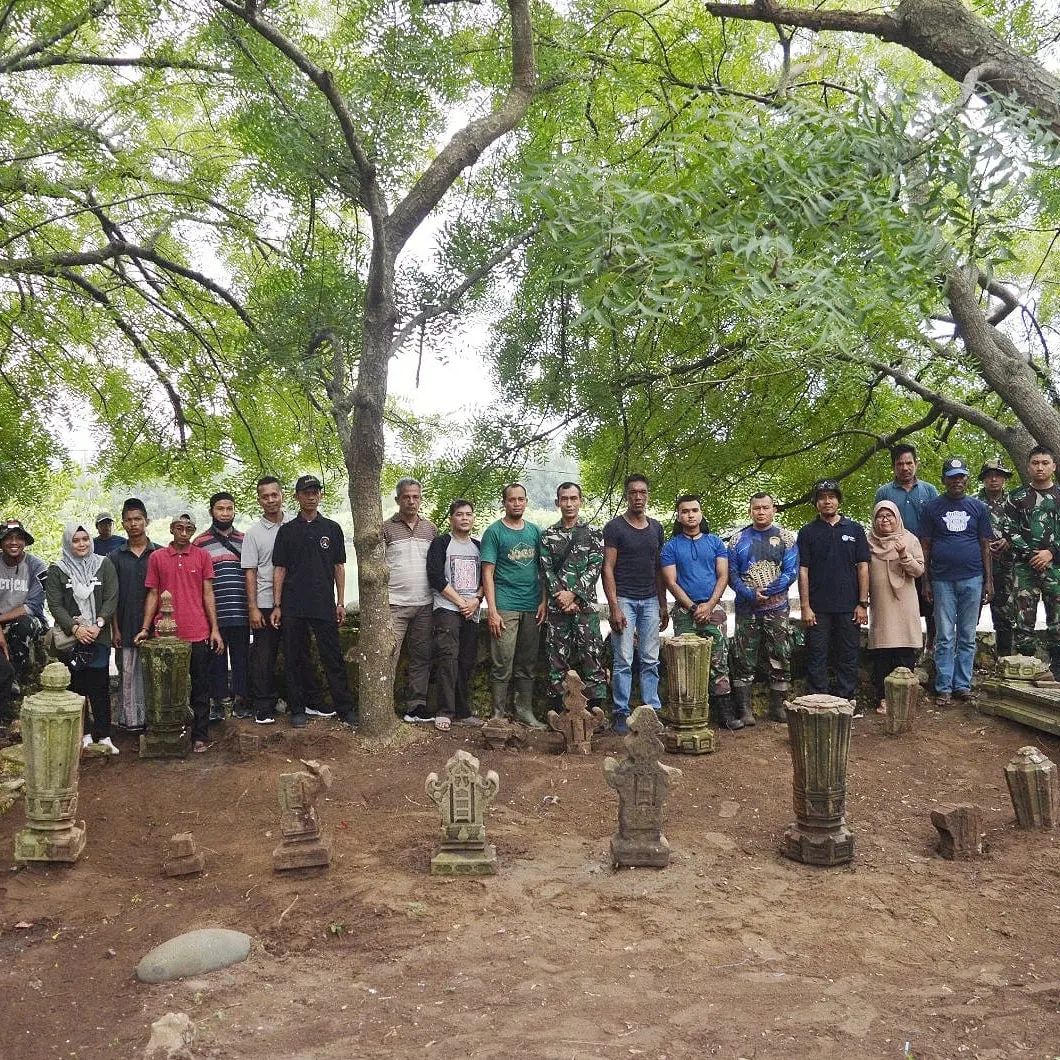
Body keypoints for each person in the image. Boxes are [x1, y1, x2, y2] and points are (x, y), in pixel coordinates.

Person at [271, 475, 356, 728]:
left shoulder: (332, 529)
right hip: (293, 604)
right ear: (297, 496)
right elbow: (280, 569)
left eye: (315, 492)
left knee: (333, 657)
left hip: (323, 603)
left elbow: (339, 567)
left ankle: (345, 708)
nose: (311, 497)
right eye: (306, 492)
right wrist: (277, 605)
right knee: (294, 657)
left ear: (320, 495)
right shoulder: (287, 531)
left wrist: (340, 602)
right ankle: (298, 708)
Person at [135, 514, 224, 753]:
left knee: (200, 686)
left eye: (188, 529)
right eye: (179, 528)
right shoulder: (157, 557)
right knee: (165, 687)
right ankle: (167, 733)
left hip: (198, 631)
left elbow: (208, 593)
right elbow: (153, 593)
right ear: (172, 529)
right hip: (166, 634)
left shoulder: (202, 556)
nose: (184, 533)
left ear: (193, 531)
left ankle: (200, 735)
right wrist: (145, 628)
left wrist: (215, 629)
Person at [920, 457, 994, 704]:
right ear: (944, 480)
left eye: (961, 476)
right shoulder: (932, 508)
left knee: (967, 635)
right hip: (942, 580)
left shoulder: (978, 507)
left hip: (973, 578)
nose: (957, 481)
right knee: (944, 636)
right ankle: (944, 687)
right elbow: (925, 547)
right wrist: (926, 581)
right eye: (952, 477)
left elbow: (985, 545)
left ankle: (962, 684)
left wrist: (988, 581)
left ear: (967, 479)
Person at [659, 494, 736, 728]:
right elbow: (670, 581)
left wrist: (710, 605)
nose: (690, 515)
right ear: (678, 516)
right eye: (685, 511)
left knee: (719, 660)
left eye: (694, 510)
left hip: (714, 609)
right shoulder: (671, 547)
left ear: (701, 514)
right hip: (685, 612)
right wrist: (692, 607)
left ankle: (724, 713)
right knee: (685, 662)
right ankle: (687, 713)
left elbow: (723, 575)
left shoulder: (715, 543)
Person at [46, 524, 120, 753]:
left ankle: (104, 735)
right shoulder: (57, 569)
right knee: (77, 686)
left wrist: (99, 624)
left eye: (85, 539)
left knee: (99, 686)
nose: (81, 544)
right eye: (76, 540)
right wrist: (75, 628)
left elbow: (111, 597)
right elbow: (55, 604)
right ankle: (84, 734)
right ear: (68, 543)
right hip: (72, 638)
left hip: (98, 635)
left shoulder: (103, 564)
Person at [727, 493, 799, 725]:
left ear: (773, 510)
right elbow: (731, 574)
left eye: (765, 507)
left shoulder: (786, 538)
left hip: (777, 607)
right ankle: (745, 710)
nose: (761, 512)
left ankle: (778, 707)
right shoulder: (737, 540)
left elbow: (791, 571)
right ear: (750, 510)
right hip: (746, 608)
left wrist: (768, 590)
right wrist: (750, 593)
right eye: (756, 508)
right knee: (742, 657)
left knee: (780, 653)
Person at [603, 474, 667, 733]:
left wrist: (663, 603)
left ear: (648, 495)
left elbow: (659, 568)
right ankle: (621, 712)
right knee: (623, 659)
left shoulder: (656, 528)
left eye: (642, 492)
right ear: (626, 495)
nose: (638, 497)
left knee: (651, 658)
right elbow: (607, 568)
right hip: (625, 599)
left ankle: (651, 711)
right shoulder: (615, 528)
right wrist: (614, 607)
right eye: (633, 493)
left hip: (650, 599)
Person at [797, 480, 870, 705]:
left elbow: (863, 567)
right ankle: (818, 701)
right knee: (817, 654)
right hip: (817, 607)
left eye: (831, 497)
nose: (827, 501)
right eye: (822, 497)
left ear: (838, 500)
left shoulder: (855, 529)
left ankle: (845, 700)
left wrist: (862, 603)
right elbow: (803, 570)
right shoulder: (807, 532)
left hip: (849, 606)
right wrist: (805, 607)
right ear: (816, 502)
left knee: (848, 654)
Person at [539, 482, 608, 715]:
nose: (569, 503)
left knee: (592, 656)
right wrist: (561, 598)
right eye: (564, 499)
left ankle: (596, 711)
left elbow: (595, 566)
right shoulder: (547, 535)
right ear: (557, 502)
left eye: (573, 498)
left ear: (581, 501)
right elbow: (546, 570)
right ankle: (559, 713)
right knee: (557, 659)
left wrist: (574, 595)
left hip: (585, 607)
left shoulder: (593, 533)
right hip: (557, 608)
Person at [481, 482, 546, 728]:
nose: (517, 504)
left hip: (532, 605)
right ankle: (498, 715)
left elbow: (544, 570)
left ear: (526, 502)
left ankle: (524, 712)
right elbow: (487, 573)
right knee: (503, 661)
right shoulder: (494, 532)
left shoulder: (535, 532)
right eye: (512, 500)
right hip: (505, 604)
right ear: (504, 503)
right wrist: (492, 610)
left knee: (528, 662)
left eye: (521, 499)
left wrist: (544, 600)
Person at [1000, 445, 1060, 677]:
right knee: (1023, 621)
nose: (1040, 467)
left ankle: (1056, 672)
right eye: (1035, 463)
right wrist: (1032, 555)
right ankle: (1025, 669)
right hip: (1025, 569)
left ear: (1053, 466)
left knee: (1057, 621)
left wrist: (1050, 552)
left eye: (1045, 463)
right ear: (1028, 467)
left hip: (1055, 568)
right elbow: (1009, 530)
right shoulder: (1016, 497)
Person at [381, 477, 437, 724]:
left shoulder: (430, 529)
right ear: (398, 499)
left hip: (425, 604)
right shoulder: (385, 529)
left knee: (421, 657)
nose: (411, 501)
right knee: (388, 655)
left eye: (415, 497)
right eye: (406, 497)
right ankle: (383, 707)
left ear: (420, 499)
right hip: (394, 604)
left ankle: (416, 706)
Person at [426, 499, 485, 731]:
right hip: (447, 608)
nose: (464, 518)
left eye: (468, 514)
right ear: (452, 518)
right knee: (448, 658)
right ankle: (444, 711)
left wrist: (476, 600)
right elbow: (435, 576)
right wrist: (461, 602)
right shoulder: (442, 543)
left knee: (466, 660)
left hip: (472, 610)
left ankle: (463, 711)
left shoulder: (479, 546)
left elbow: (487, 577)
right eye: (459, 514)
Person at [875, 444, 939, 649]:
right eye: (900, 464)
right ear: (893, 466)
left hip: (925, 557)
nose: (905, 468)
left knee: (930, 604)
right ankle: (903, 647)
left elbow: (937, 523)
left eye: (909, 463)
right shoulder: (884, 492)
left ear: (916, 463)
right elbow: (878, 523)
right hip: (894, 559)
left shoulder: (929, 490)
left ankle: (930, 647)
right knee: (901, 605)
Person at [193, 492, 250, 720]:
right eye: (220, 509)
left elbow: (251, 575)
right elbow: (197, 582)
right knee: (215, 659)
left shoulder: (245, 540)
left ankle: (241, 700)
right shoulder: (200, 543)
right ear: (211, 512)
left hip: (241, 610)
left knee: (241, 658)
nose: (225, 513)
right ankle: (217, 702)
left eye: (229, 508)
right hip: (214, 614)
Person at [241, 476, 293, 725]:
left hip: (294, 601)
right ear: (259, 500)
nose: (271, 500)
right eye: (265, 496)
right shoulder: (254, 534)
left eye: (275, 495)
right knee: (264, 655)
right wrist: (252, 607)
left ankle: (296, 701)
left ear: (282, 495)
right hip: (264, 601)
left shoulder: (295, 525)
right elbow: (250, 572)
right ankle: (262, 705)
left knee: (296, 652)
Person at [866, 500, 925, 714]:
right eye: (880, 516)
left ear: (897, 517)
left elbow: (918, 571)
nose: (885, 520)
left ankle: (905, 698)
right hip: (881, 604)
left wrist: (903, 554)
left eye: (889, 515)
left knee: (904, 651)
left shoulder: (909, 539)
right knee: (883, 652)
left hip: (904, 604)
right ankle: (883, 698)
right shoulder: (868, 542)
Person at [109, 498, 159, 731]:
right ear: (123, 524)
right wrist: (115, 629)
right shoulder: (114, 557)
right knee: (127, 674)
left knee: (155, 674)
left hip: (157, 626)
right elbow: (111, 598)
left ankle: (155, 719)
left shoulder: (159, 553)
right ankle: (130, 721)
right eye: (128, 520)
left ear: (146, 521)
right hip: (126, 622)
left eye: (138, 519)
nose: (133, 524)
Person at [0, 519, 48, 708]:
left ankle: (14, 675)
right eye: (8, 538)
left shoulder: (37, 566)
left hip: (27, 620)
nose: (13, 542)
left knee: (23, 625)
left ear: (25, 541)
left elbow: (33, 606)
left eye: (18, 538)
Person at [977, 457, 1015, 658]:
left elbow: (1024, 530)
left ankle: (1004, 660)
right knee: (969, 617)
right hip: (976, 568)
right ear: (983, 479)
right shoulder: (973, 503)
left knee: (1004, 617)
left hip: (1005, 567)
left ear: (1004, 478)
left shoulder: (1014, 502)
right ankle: (966, 664)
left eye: (998, 475)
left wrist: (1009, 540)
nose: (994, 479)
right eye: (989, 475)